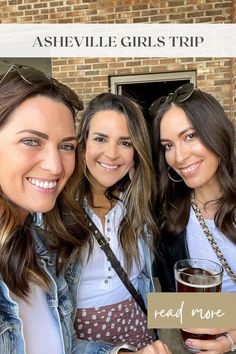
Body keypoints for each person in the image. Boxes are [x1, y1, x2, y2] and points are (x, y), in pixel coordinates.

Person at [73, 92, 172, 354]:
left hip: (139, 330)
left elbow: (151, 286)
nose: (112, 154)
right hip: (81, 342)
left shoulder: (135, 205)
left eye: (125, 142)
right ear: (82, 143)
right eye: (100, 139)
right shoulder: (55, 211)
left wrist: (225, 320)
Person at [0, 63, 88, 354]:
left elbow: (157, 293)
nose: (55, 166)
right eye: (30, 141)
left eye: (66, 146)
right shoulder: (64, 221)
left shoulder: (154, 211)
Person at [151, 83, 236, 354]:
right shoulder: (167, 217)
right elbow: (164, 307)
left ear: (216, 132)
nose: (179, 156)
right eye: (168, 145)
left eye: (190, 136)